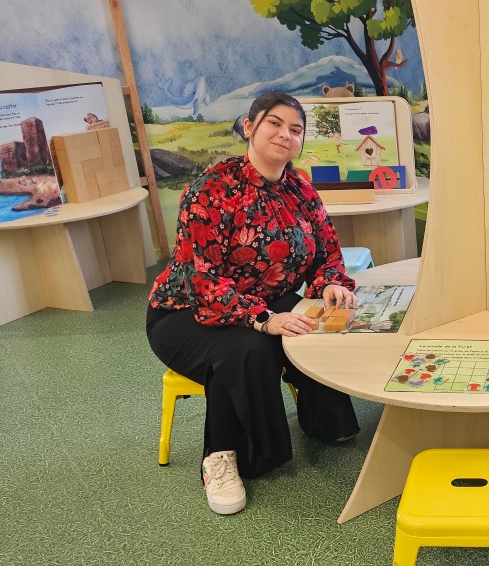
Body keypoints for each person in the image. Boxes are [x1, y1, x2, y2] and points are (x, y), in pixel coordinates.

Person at [146, 92, 360, 515]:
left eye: (295, 130)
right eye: (274, 124)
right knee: (244, 350)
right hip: (184, 311)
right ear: (250, 127)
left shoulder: (299, 188)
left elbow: (327, 252)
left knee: (311, 318)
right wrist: (263, 319)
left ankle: (324, 420)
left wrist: (330, 283)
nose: (285, 135)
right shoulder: (209, 191)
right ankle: (220, 458)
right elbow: (204, 281)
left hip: (261, 297)